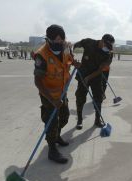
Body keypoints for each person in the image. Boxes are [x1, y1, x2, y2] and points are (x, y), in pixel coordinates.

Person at [34, 24, 75, 164]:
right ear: (48, 40)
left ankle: (56, 136)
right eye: (56, 41)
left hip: (62, 90)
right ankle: (52, 149)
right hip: (48, 94)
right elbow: (38, 82)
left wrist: (75, 63)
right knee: (51, 121)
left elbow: (69, 59)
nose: (59, 44)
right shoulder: (42, 55)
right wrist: (52, 100)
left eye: (61, 41)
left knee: (65, 116)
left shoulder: (65, 47)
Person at [73, 34, 115, 130]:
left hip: (96, 76)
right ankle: (79, 120)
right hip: (83, 74)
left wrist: (89, 78)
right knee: (80, 97)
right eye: (106, 46)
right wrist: (73, 56)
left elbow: (100, 70)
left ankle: (97, 120)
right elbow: (76, 45)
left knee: (98, 98)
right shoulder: (89, 42)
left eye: (109, 47)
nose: (107, 49)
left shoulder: (109, 53)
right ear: (102, 41)